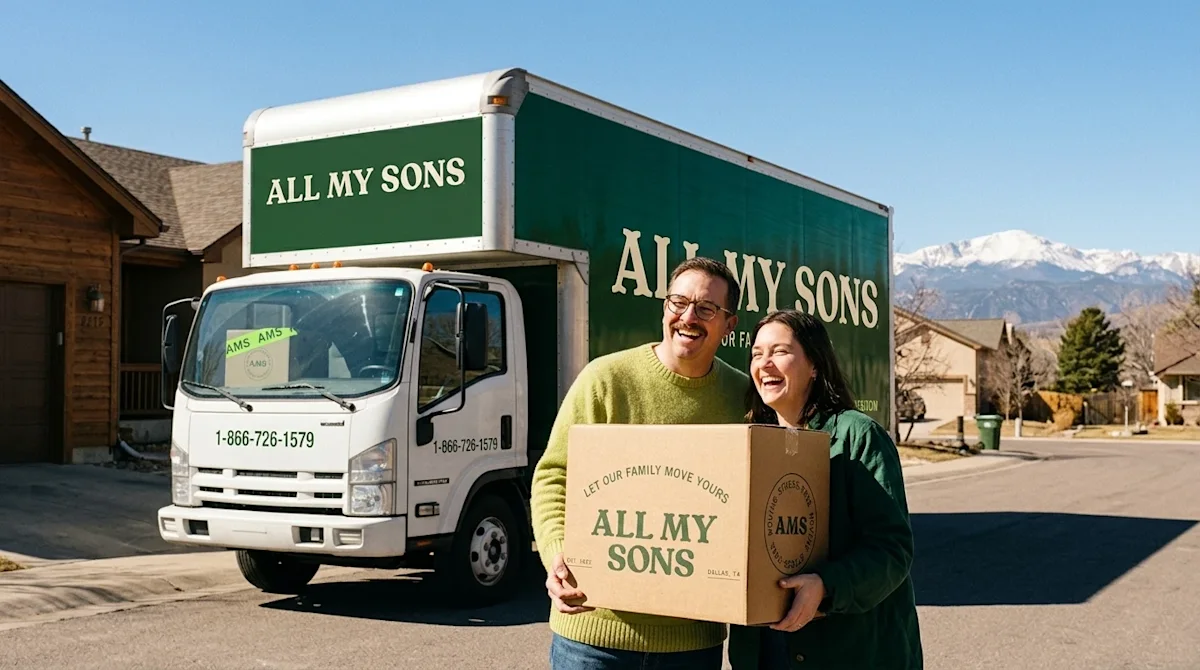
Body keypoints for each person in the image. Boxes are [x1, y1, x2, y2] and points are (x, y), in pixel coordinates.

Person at [530, 256, 749, 669]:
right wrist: (557, 554)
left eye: (706, 309)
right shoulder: (606, 379)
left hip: (691, 643)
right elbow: (554, 475)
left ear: (729, 325)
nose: (688, 317)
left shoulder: (742, 398)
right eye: (677, 302)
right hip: (592, 638)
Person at [727, 309, 923, 669]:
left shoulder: (857, 436)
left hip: (852, 651)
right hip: (768, 648)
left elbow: (892, 550)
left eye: (780, 352)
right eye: (757, 354)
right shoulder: (750, 442)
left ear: (815, 365)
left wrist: (826, 586)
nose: (765, 364)